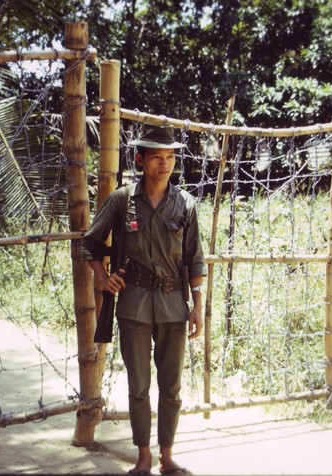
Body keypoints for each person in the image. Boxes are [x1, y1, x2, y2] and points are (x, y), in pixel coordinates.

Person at [81, 124, 205, 476]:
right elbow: (89, 242)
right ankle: (144, 457)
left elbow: (195, 259)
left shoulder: (186, 204)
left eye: (169, 158)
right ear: (140, 159)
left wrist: (197, 307)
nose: (164, 165)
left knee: (172, 388)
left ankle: (167, 457)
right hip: (133, 304)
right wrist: (103, 278)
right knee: (139, 387)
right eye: (156, 158)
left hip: (172, 306)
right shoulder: (122, 200)